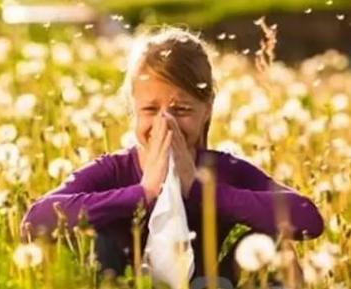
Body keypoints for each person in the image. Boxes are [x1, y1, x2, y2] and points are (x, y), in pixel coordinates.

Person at [21, 27, 324, 286]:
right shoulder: (112, 170)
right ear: (132, 109)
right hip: (124, 281)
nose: (165, 124)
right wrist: (143, 193)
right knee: (97, 240)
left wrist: (199, 189)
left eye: (181, 110)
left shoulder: (223, 169)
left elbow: (307, 218)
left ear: (207, 110)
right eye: (150, 110)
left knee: (278, 247)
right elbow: (35, 221)